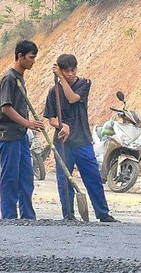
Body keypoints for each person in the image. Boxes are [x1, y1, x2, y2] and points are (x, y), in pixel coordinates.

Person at [44, 52, 115, 224]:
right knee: (64, 180)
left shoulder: (84, 84)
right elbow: (51, 117)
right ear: (60, 71)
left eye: (72, 70)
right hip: (63, 143)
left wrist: (61, 78)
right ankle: (68, 215)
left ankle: (103, 213)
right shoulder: (53, 92)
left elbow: (72, 98)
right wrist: (62, 125)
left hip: (82, 140)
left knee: (93, 178)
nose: (70, 74)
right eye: (66, 71)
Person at [0, 40, 49, 220]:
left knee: (26, 177)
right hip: (9, 136)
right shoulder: (9, 78)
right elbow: (5, 108)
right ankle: (9, 217)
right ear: (20, 56)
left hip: (21, 136)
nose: (34, 61)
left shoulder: (19, 77)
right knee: (9, 179)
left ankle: (27, 216)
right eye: (31, 57)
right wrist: (28, 123)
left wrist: (27, 126)